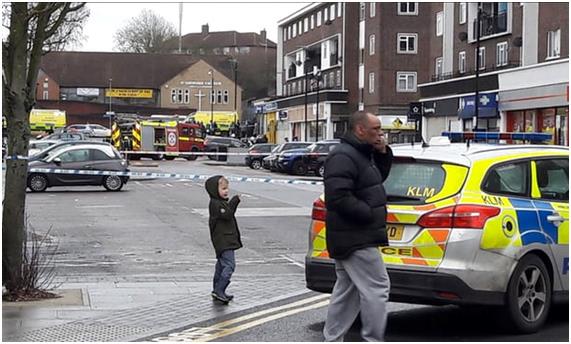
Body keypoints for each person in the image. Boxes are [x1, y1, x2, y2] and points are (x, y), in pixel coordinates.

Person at [322, 111, 393, 342]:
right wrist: (368, 213)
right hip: (355, 235)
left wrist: (382, 153)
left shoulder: (361, 154)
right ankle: (373, 339)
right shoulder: (343, 156)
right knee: (378, 287)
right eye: (376, 129)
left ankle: (332, 338)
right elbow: (337, 196)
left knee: (348, 291)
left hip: (351, 234)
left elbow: (373, 181)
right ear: (360, 130)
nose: (380, 134)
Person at [205, 175, 242, 304]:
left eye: (227, 189)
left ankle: (217, 289)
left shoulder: (219, 202)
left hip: (224, 240)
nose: (226, 191)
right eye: (223, 188)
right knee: (229, 265)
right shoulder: (216, 204)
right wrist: (235, 201)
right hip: (223, 241)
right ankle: (219, 289)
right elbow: (227, 214)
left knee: (221, 266)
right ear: (215, 190)